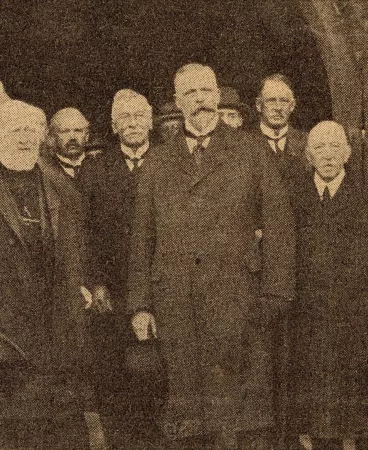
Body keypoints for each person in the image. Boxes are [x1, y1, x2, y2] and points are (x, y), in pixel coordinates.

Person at [127, 63, 295, 449]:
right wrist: (140, 305)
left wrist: (275, 295)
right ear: (177, 102)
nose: (199, 101)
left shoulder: (251, 151)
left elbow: (280, 228)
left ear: (218, 97)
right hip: (177, 304)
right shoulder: (158, 161)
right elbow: (142, 239)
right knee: (188, 416)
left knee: (242, 420)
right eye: (189, 94)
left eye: (205, 92)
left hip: (239, 300)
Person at [0, 100, 101, 448]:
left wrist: (82, 284)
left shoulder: (62, 189)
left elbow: (79, 247)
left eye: (32, 130)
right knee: (10, 428)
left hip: (57, 329)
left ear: (42, 136)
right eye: (15, 130)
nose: (25, 138)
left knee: (65, 429)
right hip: (2, 328)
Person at [289, 122, 368, 450]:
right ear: (308, 156)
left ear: (347, 152)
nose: (328, 155)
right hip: (310, 323)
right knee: (320, 416)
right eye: (320, 148)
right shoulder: (292, 198)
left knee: (365, 416)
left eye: (335, 147)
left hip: (358, 322)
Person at [84, 89, 159, 447]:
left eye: (139, 117)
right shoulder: (95, 170)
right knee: (114, 375)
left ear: (150, 122)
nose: (133, 124)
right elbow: (84, 232)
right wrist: (97, 282)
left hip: (161, 287)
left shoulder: (167, 162)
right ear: (114, 127)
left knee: (156, 373)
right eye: (124, 119)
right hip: (112, 290)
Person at [254, 74, 308, 184]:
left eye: (283, 101)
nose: (278, 108)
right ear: (259, 105)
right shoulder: (244, 142)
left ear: (292, 105)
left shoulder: (308, 142)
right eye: (271, 100)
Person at [47, 107, 92, 190]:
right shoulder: (45, 171)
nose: (72, 137)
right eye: (65, 131)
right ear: (53, 137)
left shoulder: (101, 167)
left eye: (78, 131)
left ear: (87, 136)